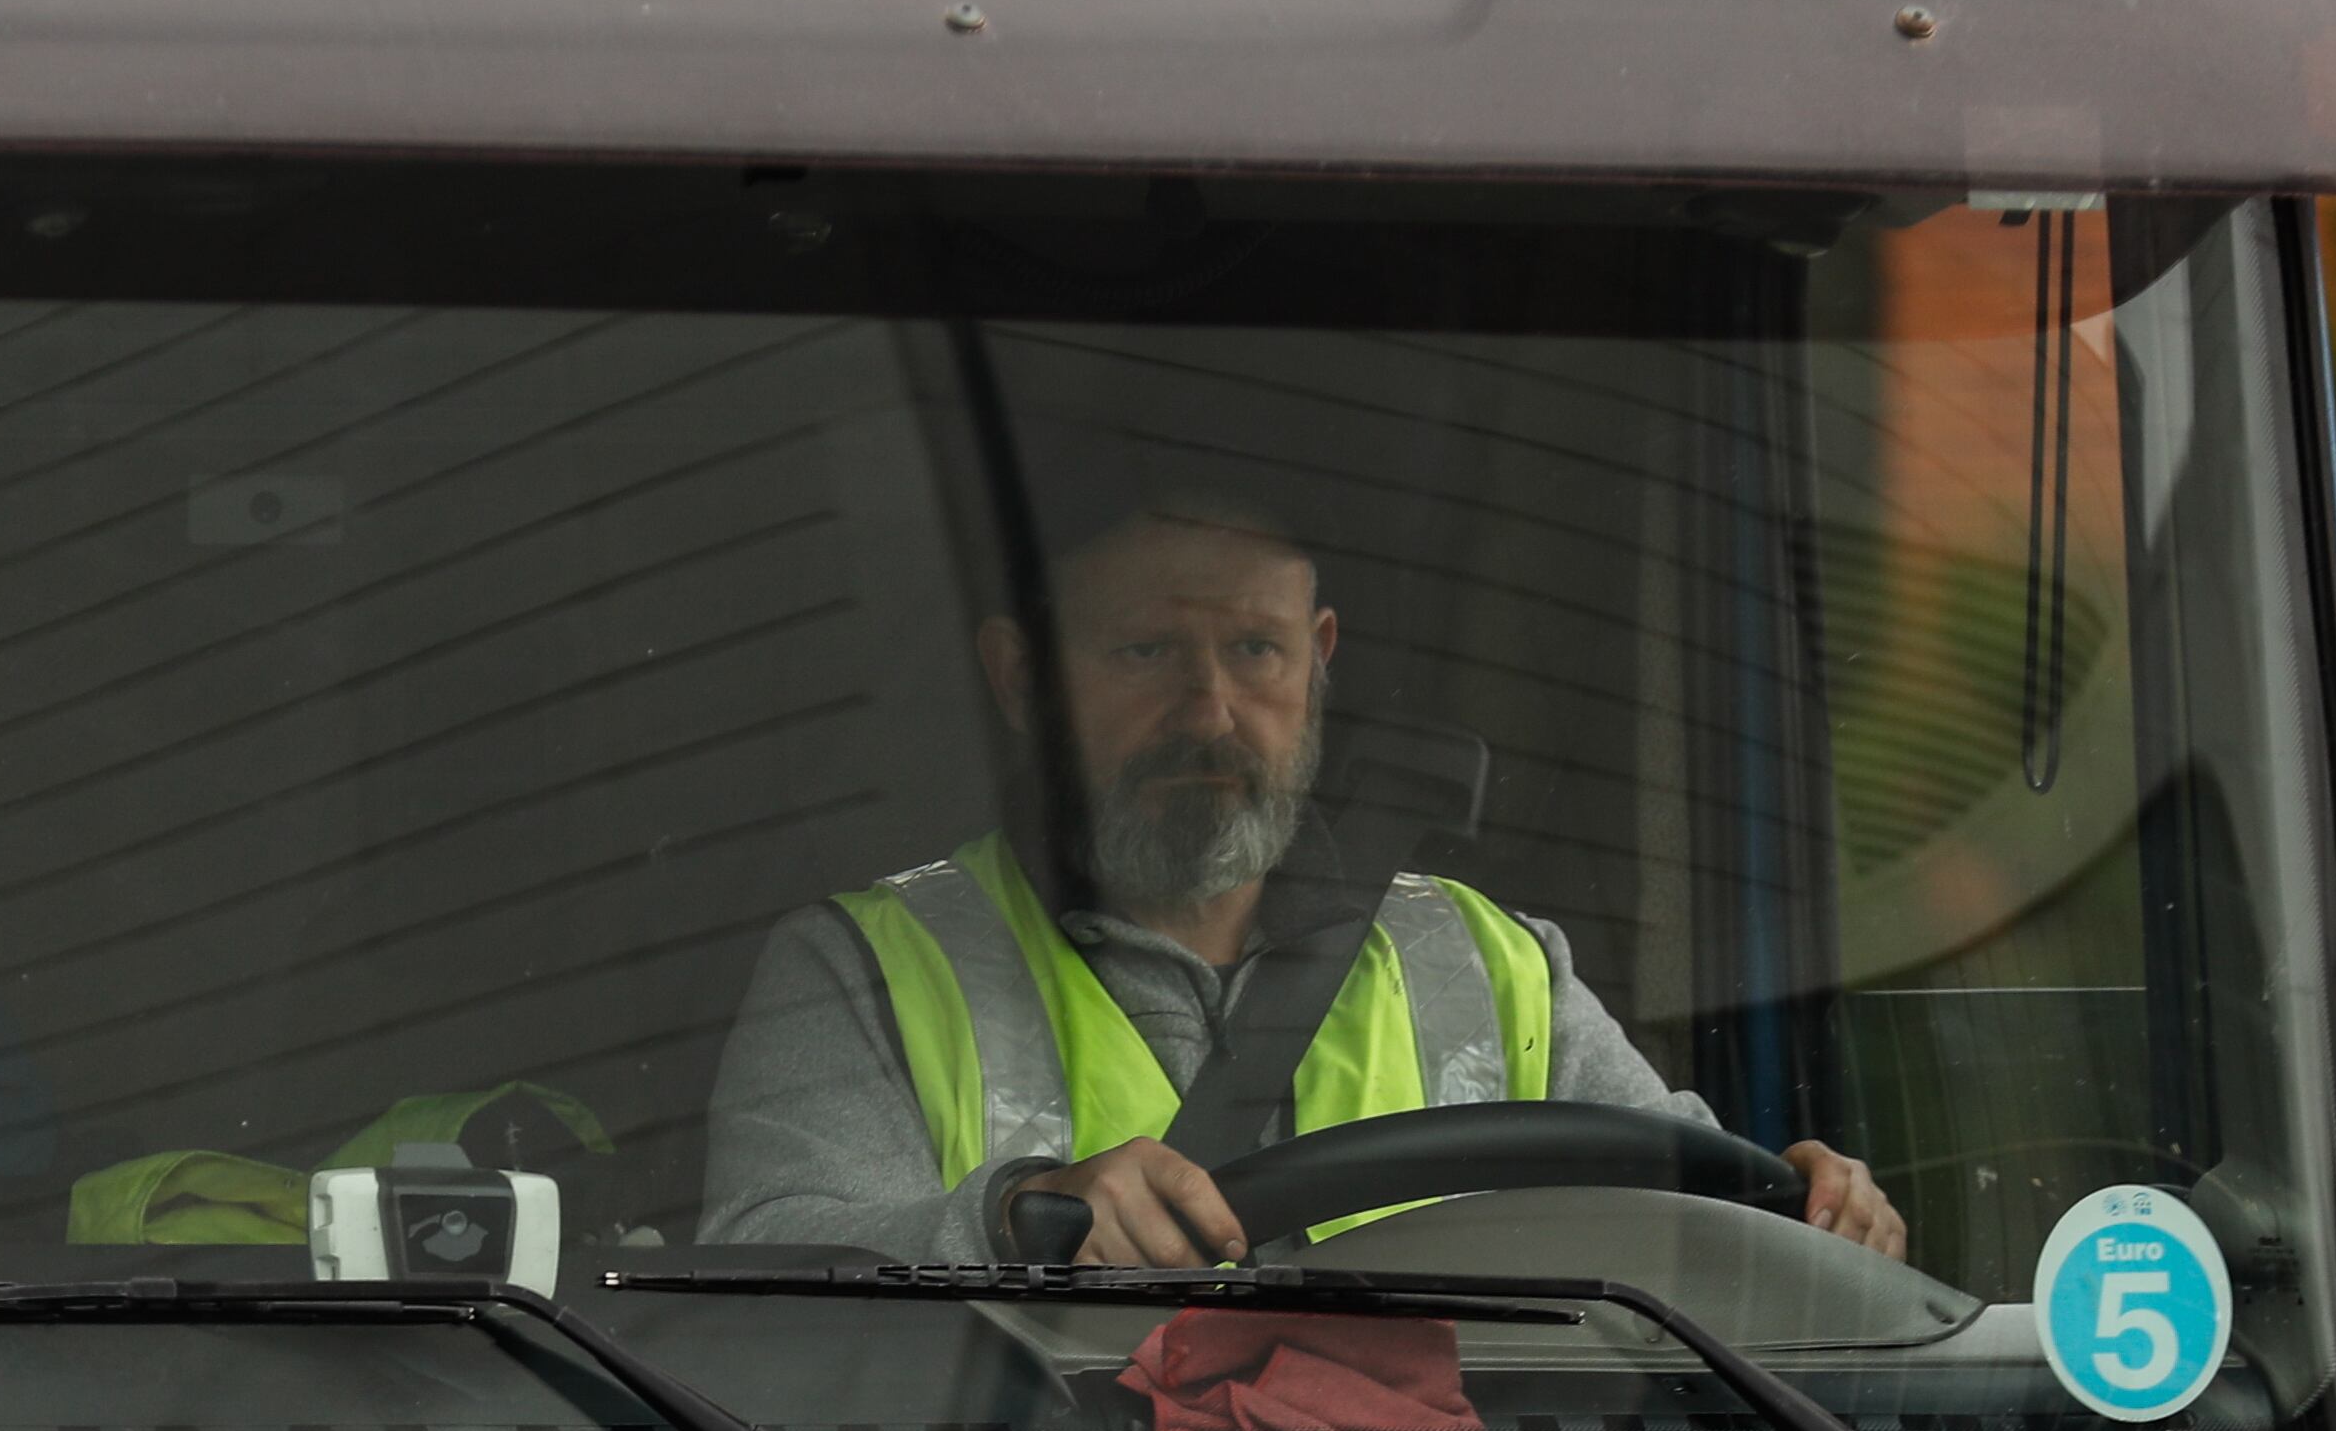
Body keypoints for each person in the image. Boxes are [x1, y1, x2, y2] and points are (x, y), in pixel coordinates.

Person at [694, 479, 1902, 1266]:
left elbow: (1692, 1220)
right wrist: (1017, 1216)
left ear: (1319, 661)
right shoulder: (864, 965)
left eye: (1256, 651)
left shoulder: (1501, 966)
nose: (1210, 710)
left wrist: (1809, 1213)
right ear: (1022, 680)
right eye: (1146, 650)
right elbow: (756, 1277)